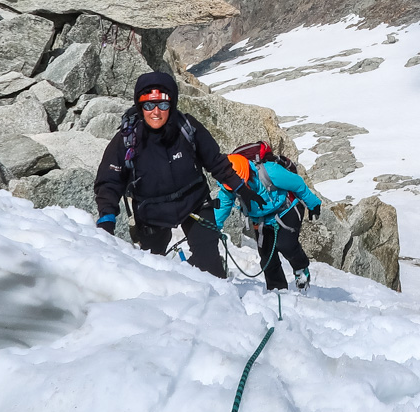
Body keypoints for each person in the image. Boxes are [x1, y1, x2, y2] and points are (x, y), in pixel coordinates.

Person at [93, 71, 252, 278]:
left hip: (194, 203)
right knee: (153, 272)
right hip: (151, 213)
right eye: (148, 105)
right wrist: (107, 217)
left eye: (163, 105)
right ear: (140, 106)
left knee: (211, 267)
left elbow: (215, 161)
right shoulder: (127, 139)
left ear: (172, 104)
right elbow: (109, 181)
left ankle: (216, 299)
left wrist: (241, 188)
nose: (156, 112)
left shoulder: (187, 128)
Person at [215, 141, 323, 290]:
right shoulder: (228, 184)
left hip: (287, 209)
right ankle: (277, 290)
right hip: (261, 219)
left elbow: (297, 184)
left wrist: (313, 204)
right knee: (267, 258)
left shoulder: (270, 171)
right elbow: (223, 205)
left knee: (286, 245)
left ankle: (301, 268)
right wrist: (213, 227)